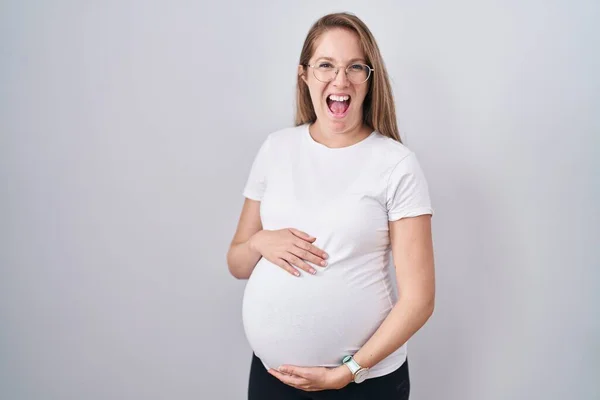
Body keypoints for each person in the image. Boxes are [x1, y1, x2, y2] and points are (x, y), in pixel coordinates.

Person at [227, 12, 435, 400]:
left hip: (363, 384)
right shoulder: (276, 148)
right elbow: (237, 263)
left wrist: (348, 372)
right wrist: (259, 243)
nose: (340, 81)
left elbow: (420, 300)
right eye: (326, 65)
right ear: (304, 74)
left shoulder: (396, 164)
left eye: (355, 67)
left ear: (369, 79)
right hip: (272, 377)